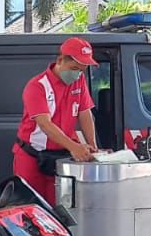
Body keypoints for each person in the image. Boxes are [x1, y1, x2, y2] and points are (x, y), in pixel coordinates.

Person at [14, 37, 100, 204]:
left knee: (62, 207)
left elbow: (85, 113)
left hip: (61, 157)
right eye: (74, 68)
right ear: (60, 60)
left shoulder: (79, 81)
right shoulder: (37, 86)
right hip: (32, 157)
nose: (77, 74)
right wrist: (74, 147)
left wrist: (92, 146)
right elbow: (45, 124)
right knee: (31, 207)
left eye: (82, 70)